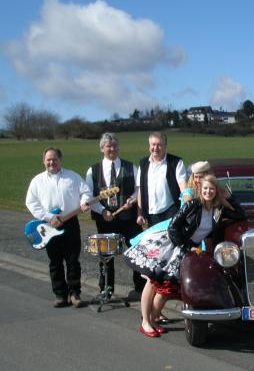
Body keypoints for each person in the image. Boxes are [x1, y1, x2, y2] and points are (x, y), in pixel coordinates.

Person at [124, 175, 245, 337]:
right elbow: (173, 228)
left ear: (216, 191)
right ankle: (145, 322)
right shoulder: (193, 205)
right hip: (172, 245)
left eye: (212, 189)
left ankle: (152, 320)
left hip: (189, 250)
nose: (208, 192)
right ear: (200, 190)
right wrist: (187, 247)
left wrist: (231, 198)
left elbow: (240, 215)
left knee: (165, 287)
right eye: (205, 189)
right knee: (154, 281)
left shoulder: (217, 209)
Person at [25, 147, 92, 308]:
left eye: (54, 159)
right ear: (44, 161)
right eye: (48, 159)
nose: (51, 162)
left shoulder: (73, 176)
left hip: (71, 224)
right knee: (55, 262)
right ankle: (60, 294)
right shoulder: (37, 181)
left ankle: (74, 293)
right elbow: (31, 202)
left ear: (60, 160)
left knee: (72, 260)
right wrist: (49, 217)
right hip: (48, 225)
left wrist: (84, 202)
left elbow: (86, 192)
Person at [86, 132, 145, 298]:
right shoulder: (93, 170)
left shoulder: (130, 167)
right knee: (106, 256)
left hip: (129, 219)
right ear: (102, 149)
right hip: (105, 220)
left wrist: (132, 200)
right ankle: (106, 289)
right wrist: (102, 211)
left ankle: (140, 289)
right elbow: (89, 196)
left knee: (137, 252)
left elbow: (138, 190)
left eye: (114, 146)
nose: (112, 149)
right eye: (108, 146)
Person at [136, 131, 187, 227]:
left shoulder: (176, 163)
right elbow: (140, 191)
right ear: (149, 145)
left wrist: (185, 208)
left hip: (172, 212)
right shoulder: (143, 164)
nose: (155, 148)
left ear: (165, 146)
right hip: (151, 216)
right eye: (153, 144)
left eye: (159, 145)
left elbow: (183, 187)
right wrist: (140, 213)